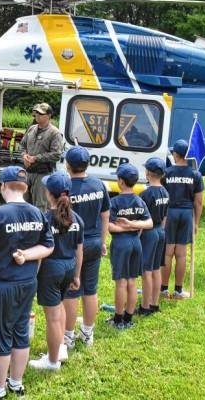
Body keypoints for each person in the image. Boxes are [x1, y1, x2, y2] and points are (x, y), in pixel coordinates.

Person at [0, 166, 54, 399]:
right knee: (20, 333)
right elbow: (48, 246)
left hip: (0, 286)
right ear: (26, 187)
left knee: (0, 337)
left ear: (2, 186)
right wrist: (26, 255)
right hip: (27, 283)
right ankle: (16, 383)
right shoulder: (38, 213)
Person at [29, 172, 83, 371]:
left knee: (52, 316)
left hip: (50, 270)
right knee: (59, 308)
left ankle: (52, 362)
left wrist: (34, 276)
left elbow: (41, 252)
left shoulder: (44, 219)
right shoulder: (76, 218)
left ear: (48, 194)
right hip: (69, 267)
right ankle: (59, 349)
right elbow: (80, 249)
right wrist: (77, 275)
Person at [62, 146, 110, 348]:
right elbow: (105, 215)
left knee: (72, 290)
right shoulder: (99, 185)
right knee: (90, 289)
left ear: (68, 165)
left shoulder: (64, 188)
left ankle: (68, 337)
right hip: (94, 242)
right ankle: (88, 334)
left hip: (73, 246)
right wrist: (103, 240)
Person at [107, 163, 153, 330]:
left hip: (121, 243)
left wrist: (126, 225)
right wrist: (133, 225)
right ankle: (128, 318)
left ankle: (118, 319)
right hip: (136, 243)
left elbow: (109, 226)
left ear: (120, 181)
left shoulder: (115, 202)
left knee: (121, 283)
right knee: (132, 281)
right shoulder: (139, 200)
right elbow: (149, 223)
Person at [161, 139, 205, 299]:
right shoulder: (195, 174)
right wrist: (196, 222)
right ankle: (178, 290)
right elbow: (199, 202)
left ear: (175, 154)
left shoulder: (166, 173)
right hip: (186, 214)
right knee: (181, 254)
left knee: (167, 253)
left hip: (170, 213)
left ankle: (164, 289)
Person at [138, 158, 169, 315]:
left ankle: (145, 306)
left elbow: (143, 220)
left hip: (148, 233)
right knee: (156, 269)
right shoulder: (165, 191)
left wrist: (138, 237)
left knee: (146, 271)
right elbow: (165, 217)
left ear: (148, 173)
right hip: (160, 232)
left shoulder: (145, 194)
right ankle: (155, 303)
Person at [19, 103, 63, 211]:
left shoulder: (54, 132)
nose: (37, 115)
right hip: (28, 172)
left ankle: (40, 227)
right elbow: (22, 145)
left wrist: (36, 158)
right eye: (36, 113)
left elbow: (56, 154)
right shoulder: (31, 129)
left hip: (42, 174)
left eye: (41, 113)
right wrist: (24, 156)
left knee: (41, 206)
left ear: (49, 115)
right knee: (23, 204)